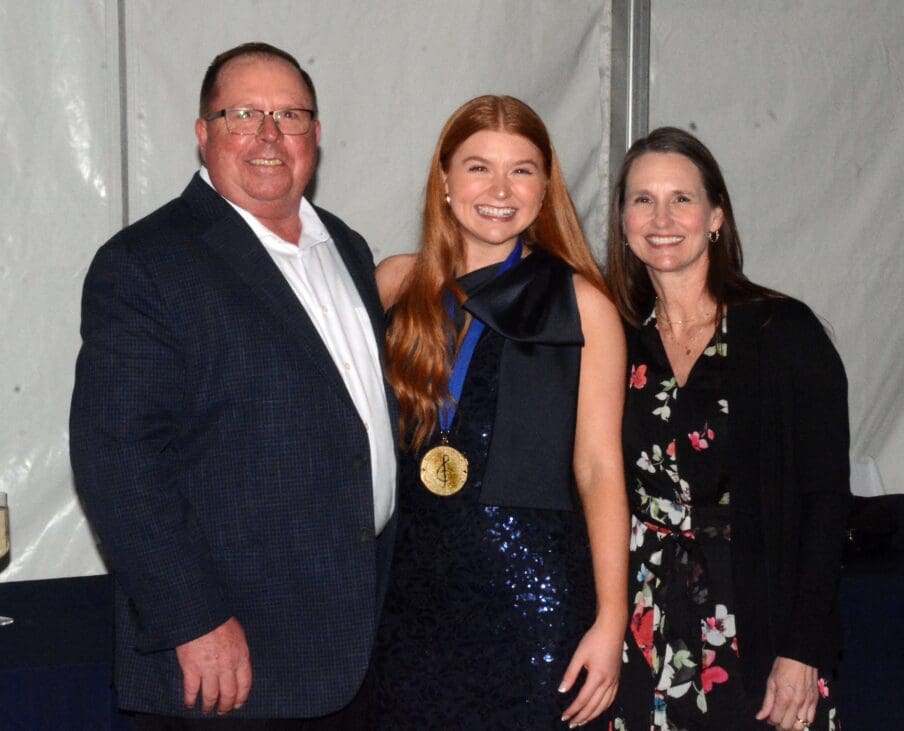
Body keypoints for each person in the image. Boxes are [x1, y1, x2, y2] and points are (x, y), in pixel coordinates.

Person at [69, 42, 396, 728]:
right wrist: (193, 619)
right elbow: (117, 461)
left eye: (291, 115)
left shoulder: (348, 249)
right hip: (229, 666)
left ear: (316, 134)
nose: (270, 136)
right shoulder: (146, 264)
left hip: (355, 656)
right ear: (203, 133)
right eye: (243, 113)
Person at [373, 95, 630, 729]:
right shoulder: (395, 285)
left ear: (546, 188)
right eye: (478, 166)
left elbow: (600, 469)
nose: (500, 188)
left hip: (534, 604)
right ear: (444, 180)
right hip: (408, 603)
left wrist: (610, 620)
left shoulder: (582, 305)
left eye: (522, 169)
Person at [605, 127, 850, 731]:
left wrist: (802, 648)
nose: (662, 217)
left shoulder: (783, 333)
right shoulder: (615, 345)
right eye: (643, 199)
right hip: (645, 630)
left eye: (681, 199)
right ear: (623, 219)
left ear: (716, 216)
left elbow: (825, 504)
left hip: (761, 634)